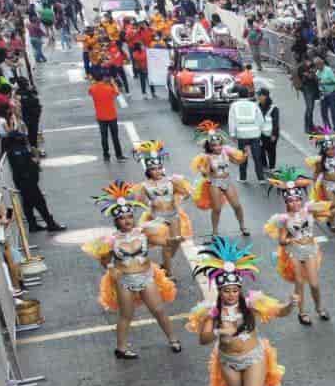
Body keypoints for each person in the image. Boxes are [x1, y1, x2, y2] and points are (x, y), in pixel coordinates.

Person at [188, 240, 292, 386]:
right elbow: (202, 339)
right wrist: (219, 332)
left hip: (253, 357)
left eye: (235, 290)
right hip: (228, 361)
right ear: (220, 291)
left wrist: (291, 304)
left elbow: (279, 312)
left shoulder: (251, 303)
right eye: (227, 290)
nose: (231, 294)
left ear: (239, 290)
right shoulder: (212, 311)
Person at [81, 182, 179, 359]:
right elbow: (104, 260)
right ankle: (121, 348)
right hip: (124, 281)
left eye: (129, 216)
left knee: (158, 310)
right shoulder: (110, 240)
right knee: (126, 315)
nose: (127, 221)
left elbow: (165, 244)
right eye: (122, 218)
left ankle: (173, 339)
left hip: (146, 276)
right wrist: (111, 268)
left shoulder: (144, 233)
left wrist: (175, 242)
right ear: (116, 220)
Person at [264, 168, 335, 326]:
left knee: (314, 284)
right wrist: (289, 240)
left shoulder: (309, 211)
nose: (295, 203)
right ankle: (302, 312)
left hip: (310, 251)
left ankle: (319, 308)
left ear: (301, 199)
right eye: (291, 201)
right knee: (299, 284)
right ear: (286, 203)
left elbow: (329, 215)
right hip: (295, 253)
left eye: (297, 199)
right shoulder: (284, 220)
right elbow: (281, 240)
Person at [128, 140, 193, 282]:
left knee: (176, 243)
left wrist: (181, 196)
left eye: (159, 168)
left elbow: (186, 193)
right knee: (167, 245)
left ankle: (166, 262)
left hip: (174, 216)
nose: (157, 171)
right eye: (154, 169)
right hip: (158, 219)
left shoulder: (171, 181)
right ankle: (169, 273)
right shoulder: (144, 186)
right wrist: (147, 203)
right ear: (148, 171)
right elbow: (139, 202)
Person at [189, 122, 250, 238]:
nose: (217, 147)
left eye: (219, 144)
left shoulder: (226, 152)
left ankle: (243, 227)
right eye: (214, 145)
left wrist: (245, 156)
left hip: (227, 181)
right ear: (209, 146)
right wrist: (204, 169)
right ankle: (215, 232)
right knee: (217, 209)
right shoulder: (206, 157)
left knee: (237, 205)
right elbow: (205, 174)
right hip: (215, 183)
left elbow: (237, 162)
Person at [3, 131, 64, 233]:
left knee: (28, 203)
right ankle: (50, 223)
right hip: (27, 181)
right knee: (39, 202)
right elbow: (23, 165)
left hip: (25, 180)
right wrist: (34, 161)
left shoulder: (15, 149)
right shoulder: (16, 150)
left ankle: (33, 225)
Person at [303, 128, 335, 234]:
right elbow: (317, 172)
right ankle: (331, 222)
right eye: (328, 149)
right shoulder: (321, 160)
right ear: (324, 150)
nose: (331, 151)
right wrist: (314, 183)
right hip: (327, 184)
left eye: (333, 148)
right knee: (334, 204)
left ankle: (327, 219)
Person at [228, 88, 265, 183]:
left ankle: (243, 177)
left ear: (238, 95)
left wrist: (232, 134)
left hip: (242, 135)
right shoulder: (254, 105)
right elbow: (260, 120)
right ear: (248, 95)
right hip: (254, 134)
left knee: (243, 156)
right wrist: (259, 131)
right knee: (257, 157)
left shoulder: (234, 106)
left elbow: (232, 120)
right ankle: (261, 178)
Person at [88, 73, 124, 162]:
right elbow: (117, 93)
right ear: (103, 78)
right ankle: (119, 155)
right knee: (115, 137)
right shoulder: (108, 88)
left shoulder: (93, 88)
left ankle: (106, 155)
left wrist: (94, 83)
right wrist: (113, 83)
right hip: (111, 116)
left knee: (104, 137)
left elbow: (90, 92)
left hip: (100, 116)